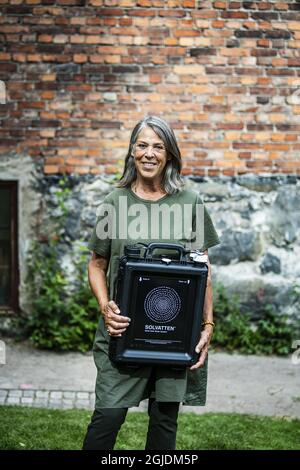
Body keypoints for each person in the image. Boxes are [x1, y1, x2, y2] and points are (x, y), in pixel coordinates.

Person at [82, 115, 220, 450]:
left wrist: (207, 324)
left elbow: (204, 269)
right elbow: (96, 264)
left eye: (158, 146)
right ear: (131, 151)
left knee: (163, 425)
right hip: (123, 332)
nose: (149, 153)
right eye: (142, 145)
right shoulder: (113, 204)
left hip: (174, 336)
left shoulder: (190, 203)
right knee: (107, 419)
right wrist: (105, 307)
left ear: (169, 155)